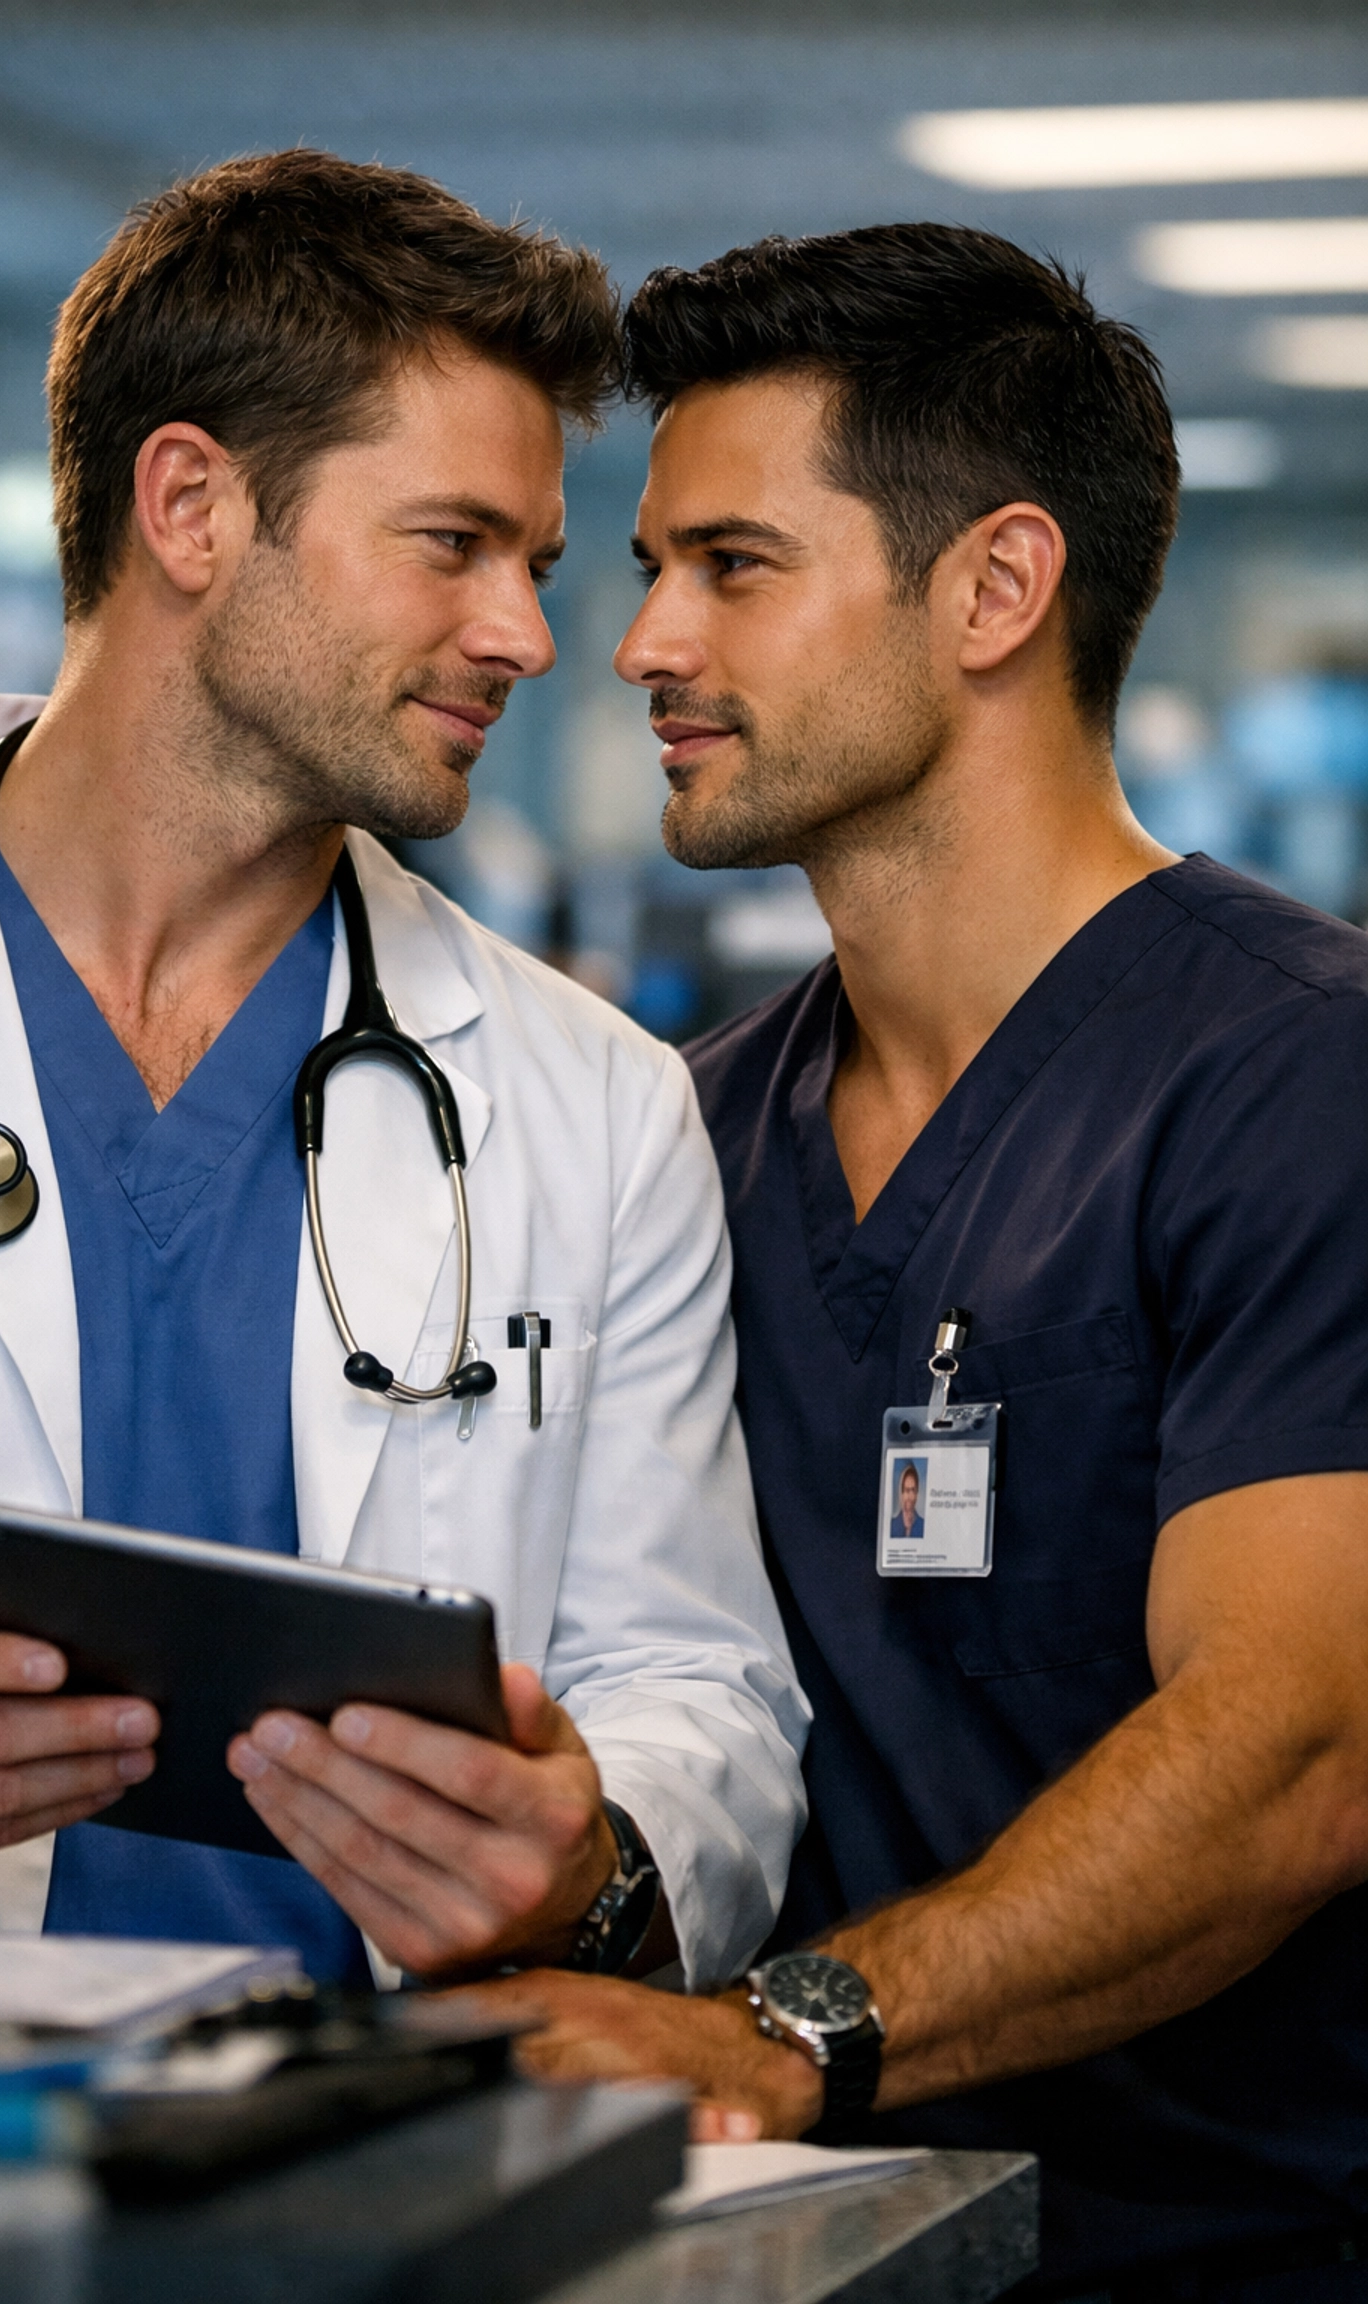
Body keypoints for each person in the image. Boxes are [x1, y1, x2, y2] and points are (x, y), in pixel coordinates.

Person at [471, 225, 1368, 2300]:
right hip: (784, 2245)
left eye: (734, 565)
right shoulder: (686, 1132)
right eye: (651, 569)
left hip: (1218, 2256)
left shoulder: (1296, 1077)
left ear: (994, 587)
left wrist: (791, 2032)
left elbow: (1299, 1752)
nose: (644, 642)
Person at [0, 151, 808, 1997]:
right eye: (453, 544)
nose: (530, 636)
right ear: (192, 506)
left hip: (390, 2128)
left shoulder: (597, 1103)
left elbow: (695, 1683)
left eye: (535, 563)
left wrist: (591, 1859)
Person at [889, 1463, 923, 1546]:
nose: (910, 1496)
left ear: (917, 1494)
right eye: (907, 1490)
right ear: (901, 1494)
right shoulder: (891, 1526)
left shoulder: (923, 1526)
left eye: (913, 1490)